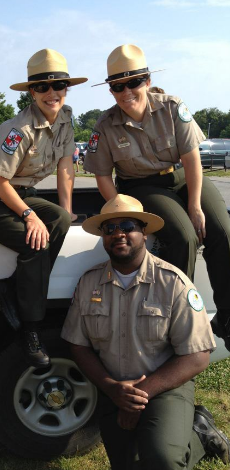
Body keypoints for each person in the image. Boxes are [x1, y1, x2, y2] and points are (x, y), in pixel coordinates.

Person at [62, 194, 230, 470]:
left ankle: (199, 435)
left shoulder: (173, 282)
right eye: (109, 228)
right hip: (115, 391)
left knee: (163, 464)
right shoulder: (89, 282)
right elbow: (77, 344)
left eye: (127, 225)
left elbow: (198, 355)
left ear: (144, 232)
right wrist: (112, 388)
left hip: (165, 388)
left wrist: (141, 394)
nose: (118, 234)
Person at [84, 44, 230, 351]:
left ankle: (226, 319)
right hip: (141, 187)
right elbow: (101, 175)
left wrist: (195, 206)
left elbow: (191, 160)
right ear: (110, 90)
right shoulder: (105, 125)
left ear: (147, 81)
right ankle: (178, 321)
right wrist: (122, 212)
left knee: (223, 231)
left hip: (180, 177)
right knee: (183, 236)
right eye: (117, 86)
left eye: (133, 82)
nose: (126, 92)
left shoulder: (172, 107)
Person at [0, 48, 87, 368]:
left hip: (21, 191)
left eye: (58, 86)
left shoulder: (65, 119)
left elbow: (66, 167)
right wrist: (29, 215)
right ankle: (31, 329)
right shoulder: (19, 130)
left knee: (60, 221)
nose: (51, 93)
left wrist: (66, 212)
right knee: (34, 244)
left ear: (67, 88)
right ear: (32, 92)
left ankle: (13, 287)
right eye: (41, 86)